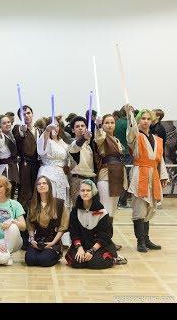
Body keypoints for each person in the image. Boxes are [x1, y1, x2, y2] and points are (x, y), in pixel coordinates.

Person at [125, 105, 168, 252]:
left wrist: (163, 175)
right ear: (138, 121)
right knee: (139, 208)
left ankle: (147, 239)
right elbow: (131, 130)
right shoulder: (135, 137)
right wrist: (130, 115)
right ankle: (140, 241)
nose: (145, 121)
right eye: (143, 118)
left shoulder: (157, 139)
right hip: (139, 173)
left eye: (148, 119)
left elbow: (160, 159)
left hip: (153, 174)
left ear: (152, 121)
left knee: (150, 207)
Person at [65, 180, 121, 269]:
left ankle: (114, 259)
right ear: (79, 192)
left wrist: (91, 251)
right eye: (82, 190)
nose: (85, 193)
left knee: (95, 263)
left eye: (88, 190)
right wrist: (79, 248)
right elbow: (74, 232)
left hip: (98, 245)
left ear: (93, 192)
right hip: (82, 244)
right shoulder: (75, 211)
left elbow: (105, 235)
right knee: (77, 262)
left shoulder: (102, 212)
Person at [94, 114, 127, 250]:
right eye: (106, 122)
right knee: (105, 210)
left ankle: (107, 240)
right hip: (106, 175)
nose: (110, 125)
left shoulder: (117, 140)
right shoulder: (101, 137)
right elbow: (98, 138)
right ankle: (101, 241)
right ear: (103, 124)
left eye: (112, 122)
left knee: (112, 211)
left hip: (117, 175)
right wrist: (97, 126)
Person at [25, 176, 69, 267]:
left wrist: (53, 243)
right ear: (36, 188)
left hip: (53, 242)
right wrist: (32, 240)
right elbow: (30, 225)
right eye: (39, 184)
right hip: (37, 241)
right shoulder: (32, 203)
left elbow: (63, 226)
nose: (41, 185)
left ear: (49, 186)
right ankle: (40, 255)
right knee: (30, 260)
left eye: (44, 183)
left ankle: (57, 255)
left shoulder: (59, 203)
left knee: (44, 260)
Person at [0, 175, 27, 265]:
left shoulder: (15, 204)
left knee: (13, 226)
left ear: (6, 187)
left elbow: (23, 227)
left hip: (14, 241)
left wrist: (12, 221)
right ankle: (5, 256)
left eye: (0, 186)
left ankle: (7, 253)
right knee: (2, 260)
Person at [37, 117, 70, 209]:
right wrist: (47, 131)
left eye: (57, 125)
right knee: (49, 202)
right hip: (48, 174)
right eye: (52, 125)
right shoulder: (46, 140)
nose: (55, 127)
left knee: (61, 204)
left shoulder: (63, 143)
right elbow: (42, 147)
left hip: (61, 176)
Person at [13, 105, 40, 212]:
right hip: (25, 165)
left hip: (38, 165)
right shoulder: (18, 128)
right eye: (23, 114)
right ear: (20, 117)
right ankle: (22, 216)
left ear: (32, 114)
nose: (27, 116)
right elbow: (18, 137)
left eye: (28, 113)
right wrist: (22, 131)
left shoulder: (38, 130)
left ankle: (35, 216)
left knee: (37, 191)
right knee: (25, 192)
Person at [68, 116, 97, 205]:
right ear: (73, 130)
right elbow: (77, 146)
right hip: (78, 180)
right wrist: (84, 138)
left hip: (90, 180)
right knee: (78, 208)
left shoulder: (88, 145)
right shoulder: (73, 144)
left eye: (82, 126)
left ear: (86, 128)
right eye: (77, 126)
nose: (80, 128)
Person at [0, 114, 19, 199]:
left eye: (8, 122)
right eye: (4, 123)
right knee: (4, 194)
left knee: (12, 194)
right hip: (4, 169)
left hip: (14, 167)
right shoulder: (0, 135)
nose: (7, 124)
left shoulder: (11, 135)